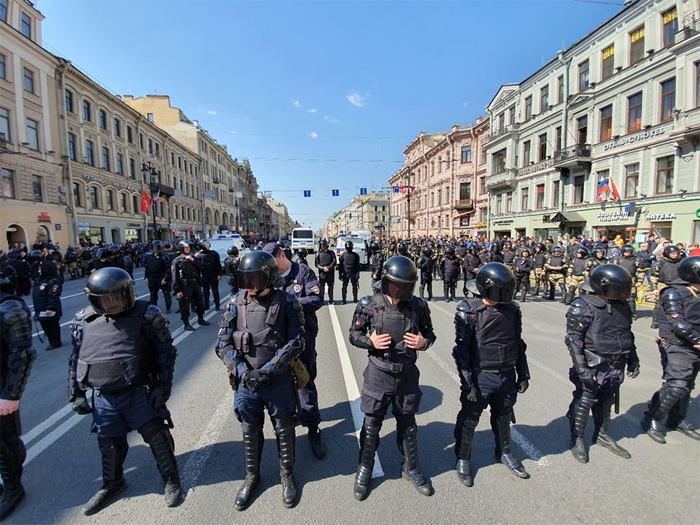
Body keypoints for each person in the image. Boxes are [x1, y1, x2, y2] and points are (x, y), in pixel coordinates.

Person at [69, 268, 182, 515]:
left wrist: (163, 388)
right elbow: (76, 358)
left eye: (117, 297)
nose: (112, 303)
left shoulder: (147, 315)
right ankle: (113, 483)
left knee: (157, 437)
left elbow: (166, 354)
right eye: (105, 299)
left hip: (139, 391)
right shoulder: (82, 319)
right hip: (104, 395)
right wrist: (75, 392)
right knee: (109, 442)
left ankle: (171, 479)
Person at [215, 250, 305, 510]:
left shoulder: (287, 302)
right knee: (249, 431)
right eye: (245, 280)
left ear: (268, 278)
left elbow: (296, 341)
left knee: (284, 430)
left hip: (276, 380)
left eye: (254, 280)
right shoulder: (236, 302)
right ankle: (252, 476)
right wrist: (243, 372)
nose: (249, 287)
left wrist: (269, 370)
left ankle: (287, 475)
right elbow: (222, 343)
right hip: (246, 382)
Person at [348, 255, 436, 500]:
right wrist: (370, 341)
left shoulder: (417, 306)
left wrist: (423, 342)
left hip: (406, 374)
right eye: (395, 286)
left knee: (407, 425)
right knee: (371, 424)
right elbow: (354, 334)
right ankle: (364, 469)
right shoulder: (369, 304)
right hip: (379, 373)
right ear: (386, 282)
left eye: (404, 287)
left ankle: (411, 468)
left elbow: (430, 334)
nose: (399, 292)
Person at [453, 263, 530, 487]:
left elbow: (518, 343)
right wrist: (468, 384)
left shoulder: (512, 310)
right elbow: (462, 351)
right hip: (480, 374)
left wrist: (523, 373)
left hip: (506, 372)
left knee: (503, 415)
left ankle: (505, 452)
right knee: (470, 418)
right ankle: (463, 457)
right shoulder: (468, 311)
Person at [565, 265, 640, 463]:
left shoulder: (622, 306)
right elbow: (574, 340)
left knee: (607, 400)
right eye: (617, 289)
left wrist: (633, 358)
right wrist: (582, 369)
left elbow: (627, 335)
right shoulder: (583, 305)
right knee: (585, 400)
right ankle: (577, 438)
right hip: (593, 363)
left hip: (616, 363)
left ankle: (602, 434)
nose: (620, 293)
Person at [263, 242, 326, 459]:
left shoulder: (303, 272)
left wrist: (290, 304)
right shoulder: (269, 275)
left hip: (302, 337)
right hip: (277, 341)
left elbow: (316, 299)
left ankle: (313, 427)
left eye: (272, 262)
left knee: (305, 381)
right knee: (281, 385)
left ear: (282, 255)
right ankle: (288, 425)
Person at [641, 256, 700, 444]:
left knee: (687, 385)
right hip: (676, 344)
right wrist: (697, 342)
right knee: (676, 384)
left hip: (695, 344)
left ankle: (677, 418)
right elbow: (679, 325)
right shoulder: (674, 293)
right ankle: (653, 417)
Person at [0, 277, 36, 520]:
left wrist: (11, 394)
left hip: (2, 384)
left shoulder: (7, 306)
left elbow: (23, 354)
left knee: (4, 440)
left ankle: (13, 488)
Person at [171, 241, 210, 331]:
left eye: (189, 248)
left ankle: (200, 319)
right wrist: (177, 290)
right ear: (181, 249)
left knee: (200, 303)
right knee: (185, 306)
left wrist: (192, 260)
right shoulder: (177, 261)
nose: (188, 249)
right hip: (185, 285)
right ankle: (186, 324)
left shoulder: (193, 258)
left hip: (195, 283)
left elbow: (202, 267)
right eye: (186, 248)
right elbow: (174, 277)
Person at [32, 261, 63, 350]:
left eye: (40, 269)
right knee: (46, 326)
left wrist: (50, 308)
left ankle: (55, 342)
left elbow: (53, 295)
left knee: (52, 326)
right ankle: (53, 341)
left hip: (49, 309)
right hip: (41, 308)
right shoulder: (40, 280)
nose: (39, 271)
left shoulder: (53, 281)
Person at [650, 245, 682, 329]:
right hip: (663, 284)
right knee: (659, 304)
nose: (675, 255)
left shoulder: (681, 262)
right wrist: (654, 288)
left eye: (676, 254)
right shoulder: (660, 263)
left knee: (677, 304)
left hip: (678, 285)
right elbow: (654, 277)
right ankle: (655, 321)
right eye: (673, 254)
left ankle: (674, 321)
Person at [143, 241, 173, 314]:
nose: (155, 249)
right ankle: (153, 307)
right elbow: (147, 268)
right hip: (152, 277)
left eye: (156, 247)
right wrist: (146, 277)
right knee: (153, 293)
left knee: (166, 293)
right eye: (154, 247)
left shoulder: (164, 257)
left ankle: (168, 307)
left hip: (161, 277)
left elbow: (168, 269)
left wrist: (165, 279)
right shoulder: (149, 257)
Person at [614, 245, 640, 318]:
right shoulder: (618, 259)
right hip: (620, 278)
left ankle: (632, 313)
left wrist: (640, 281)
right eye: (626, 252)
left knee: (631, 297)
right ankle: (618, 312)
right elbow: (613, 269)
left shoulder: (635, 260)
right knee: (618, 296)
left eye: (629, 252)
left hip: (631, 278)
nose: (628, 253)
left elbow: (640, 271)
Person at [196, 241, 222, 311]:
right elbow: (197, 268)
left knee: (215, 291)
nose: (208, 245)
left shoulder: (214, 253)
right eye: (206, 244)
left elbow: (218, 265)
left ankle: (217, 305)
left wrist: (219, 274)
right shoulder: (198, 255)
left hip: (213, 274)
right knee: (205, 291)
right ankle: (206, 305)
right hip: (204, 275)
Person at [315, 239, 336, 305]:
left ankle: (331, 300)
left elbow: (334, 261)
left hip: (330, 272)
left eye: (324, 246)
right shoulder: (318, 253)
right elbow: (316, 264)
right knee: (321, 287)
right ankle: (322, 300)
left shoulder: (331, 253)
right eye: (322, 246)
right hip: (322, 272)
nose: (323, 247)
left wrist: (329, 267)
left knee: (331, 286)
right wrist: (323, 268)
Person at [339, 240, 360, 305]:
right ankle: (344, 299)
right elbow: (340, 266)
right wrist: (340, 274)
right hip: (346, 271)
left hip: (352, 271)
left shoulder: (355, 255)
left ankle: (355, 299)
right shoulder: (343, 255)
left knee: (354, 286)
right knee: (345, 286)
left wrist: (357, 273)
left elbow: (357, 266)